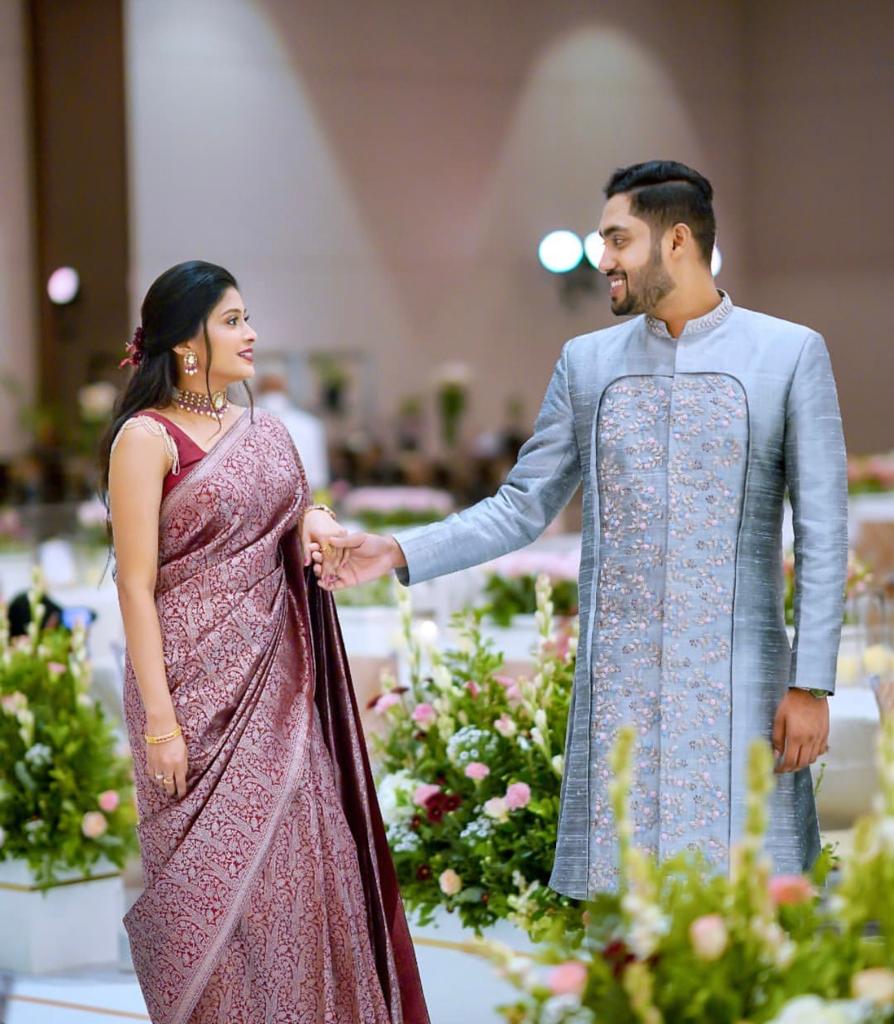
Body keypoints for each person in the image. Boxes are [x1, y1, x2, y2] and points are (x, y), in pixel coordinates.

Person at [315, 161, 849, 898]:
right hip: (621, 693)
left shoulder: (788, 354)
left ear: (678, 241)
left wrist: (811, 684)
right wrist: (398, 550)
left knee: (745, 911)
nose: (602, 260)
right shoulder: (587, 364)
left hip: (746, 691)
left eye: (617, 239)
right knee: (623, 918)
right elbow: (521, 506)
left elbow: (825, 530)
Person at [99, 261, 428, 1023]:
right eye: (233, 320)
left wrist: (315, 523)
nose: (251, 335)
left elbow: (296, 508)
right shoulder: (145, 441)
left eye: (247, 319)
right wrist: (160, 723)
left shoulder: (267, 429)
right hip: (187, 700)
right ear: (187, 342)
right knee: (211, 903)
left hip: (280, 692)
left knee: (310, 873)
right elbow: (133, 586)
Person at [255, 372, 331, 492]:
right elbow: (319, 474)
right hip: (307, 492)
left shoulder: (249, 422)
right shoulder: (310, 424)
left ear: (258, 390)